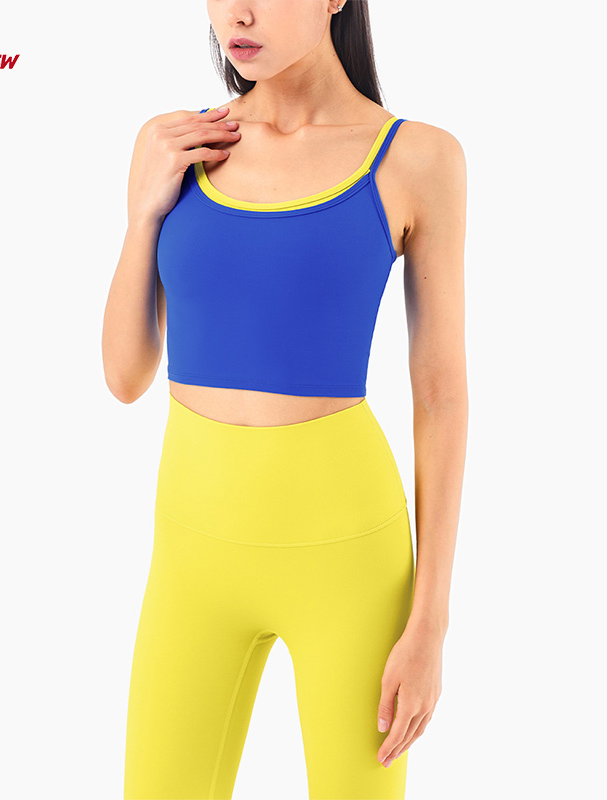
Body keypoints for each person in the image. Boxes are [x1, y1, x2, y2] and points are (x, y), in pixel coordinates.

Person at [102, 2, 467, 798]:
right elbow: (125, 377)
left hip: (348, 563)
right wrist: (142, 214)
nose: (238, 11)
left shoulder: (416, 158)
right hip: (192, 559)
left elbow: (440, 394)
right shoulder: (175, 145)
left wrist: (431, 621)